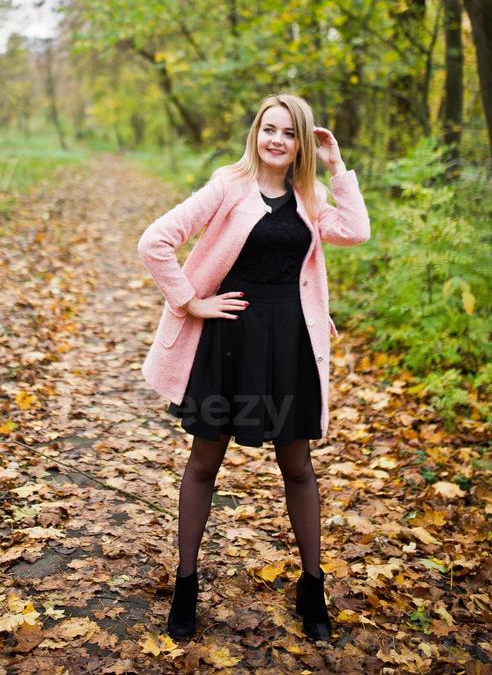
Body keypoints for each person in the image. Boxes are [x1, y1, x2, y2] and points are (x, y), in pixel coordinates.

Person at [136, 93, 371, 643]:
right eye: (269, 129)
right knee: (204, 462)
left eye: (290, 133)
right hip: (229, 345)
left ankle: (311, 586)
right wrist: (189, 300)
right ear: (255, 132)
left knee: (298, 468)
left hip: (290, 345)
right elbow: (156, 242)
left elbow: (356, 231)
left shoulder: (309, 195)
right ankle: (186, 584)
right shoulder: (228, 185)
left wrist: (338, 168)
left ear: (301, 143)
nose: (277, 141)